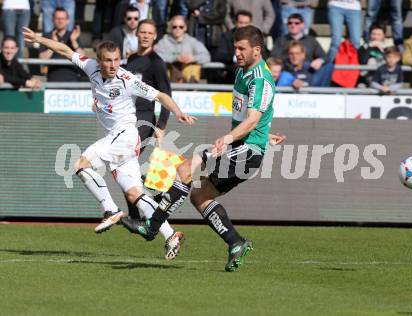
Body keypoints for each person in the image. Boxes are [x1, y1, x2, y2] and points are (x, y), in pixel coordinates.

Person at [118, 25, 286, 272]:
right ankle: (235, 242)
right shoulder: (243, 72)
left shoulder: (260, 79)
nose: (236, 53)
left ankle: (152, 226)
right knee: (199, 196)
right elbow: (253, 118)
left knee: (187, 169)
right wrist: (265, 133)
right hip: (244, 147)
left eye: (242, 48)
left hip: (247, 150)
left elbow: (252, 120)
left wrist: (231, 138)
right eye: (235, 47)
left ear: (257, 50)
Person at [23, 26, 196, 260]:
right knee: (135, 194)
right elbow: (64, 50)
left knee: (81, 165)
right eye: (108, 60)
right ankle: (170, 234)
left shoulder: (127, 79)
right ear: (99, 60)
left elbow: (161, 95)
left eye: (116, 60)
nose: (113, 65)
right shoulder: (90, 66)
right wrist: (38, 38)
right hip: (121, 142)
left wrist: (178, 112)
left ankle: (111, 209)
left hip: (125, 135)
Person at [124, 19, 171, 219]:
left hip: (144, 120)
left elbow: (166, 95)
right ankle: (143, 209)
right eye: (142, 32)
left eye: (149, 33)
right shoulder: (131, 60)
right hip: (128, 118)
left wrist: (161, 125)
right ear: (137, 34)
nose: (145, 35)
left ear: (154, 36)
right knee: (126, 166)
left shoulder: (156, 63)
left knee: (126, 163)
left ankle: (139, 213)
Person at [155, 15, 211, 83]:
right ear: (170, 28)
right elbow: (156, 56)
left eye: (181, 27)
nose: (178, 29)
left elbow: (206, 56)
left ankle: (191, 88)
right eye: (174, 27)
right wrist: (175, 58)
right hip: (169, 77)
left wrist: (193, 58)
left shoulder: (192, 41)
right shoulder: (163, 42)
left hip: (187, 77)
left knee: (192, 67)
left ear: (185, 28)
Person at [39, 7, 85, 82]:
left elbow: (83, 58)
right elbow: (42, 59)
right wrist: (53, 45)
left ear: (67, 21)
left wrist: (74, 42)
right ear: (53, 20)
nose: (60, 21)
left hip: (73, 76)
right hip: (53, 76)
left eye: (63, 18)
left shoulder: (73, 35)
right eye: (57, 18)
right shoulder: (47, 36)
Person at [212, 10, 253, 84]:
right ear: (235, 23)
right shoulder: (226, 36)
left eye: (246, 23)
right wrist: (236, 57)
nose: (243, 26)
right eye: (241, 23)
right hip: (231, 75)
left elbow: (263, 54)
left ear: (250, 24)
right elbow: (219, 55)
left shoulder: (255, 37)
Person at [358, 23, 386, 87]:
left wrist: (383, 51)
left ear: (384, 36)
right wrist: (369, 48)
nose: (375, 37)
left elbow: (390, 63)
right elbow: (363, 62)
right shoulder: (363, 48)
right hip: (365, 80)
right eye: (373, 34)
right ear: (369, 35)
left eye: (379, 35)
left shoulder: (388, 49)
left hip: (382, 80)